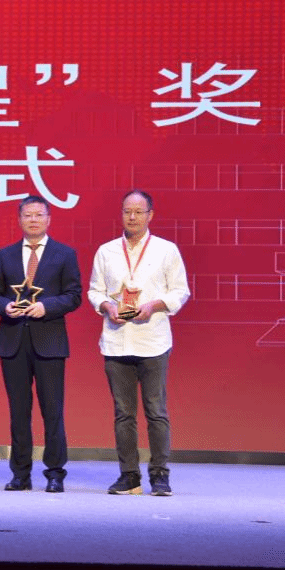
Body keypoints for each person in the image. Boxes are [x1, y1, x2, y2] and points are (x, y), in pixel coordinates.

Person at [88, 189, 189, 495]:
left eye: (138, 212)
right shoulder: (106, 251)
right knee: (124, 414)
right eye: (127, 211)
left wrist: (154, 305)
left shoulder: (166, 250)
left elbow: (180, 291)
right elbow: (95, 290)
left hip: (152, 341)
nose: (132, 217)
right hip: (116, 341)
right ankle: (129, 476)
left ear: (150, 215)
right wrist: (107, 306)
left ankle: (160, 474)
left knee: (156, 410)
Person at [0, 195, 81, 493]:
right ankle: (20, 474)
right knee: (19, 411)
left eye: (39, 215)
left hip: (49, 341)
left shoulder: (64, 254)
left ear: (49, 219)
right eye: (28, 215)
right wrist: (4, 307)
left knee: (53, 410)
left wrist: (46, 307)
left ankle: (55, 472)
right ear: (19, 219)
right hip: (13, 341)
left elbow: (74, 295)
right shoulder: (6, 255)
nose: (33, 220)